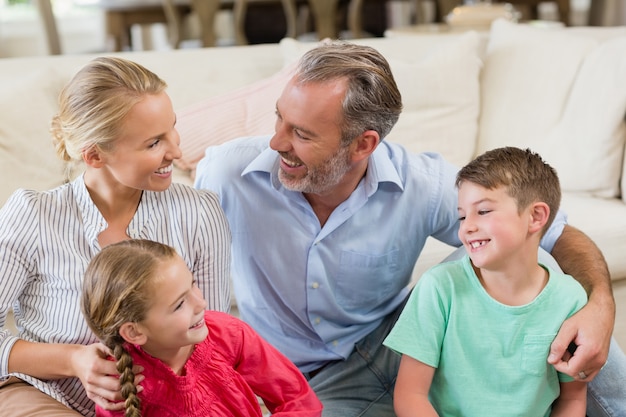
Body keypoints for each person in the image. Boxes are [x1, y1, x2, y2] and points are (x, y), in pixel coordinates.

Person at [193, 40, 625, 417]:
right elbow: (154, 266)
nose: (277, 142)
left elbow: (556, 235)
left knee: (531, 254)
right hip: (310, 379)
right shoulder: (230, 174)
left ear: (363, 144)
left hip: (408, 342)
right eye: (279, 120)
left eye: (302, 134)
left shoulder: (420, 182)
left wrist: (601, 307)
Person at [0, 57, 231, 416]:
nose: (176, 151)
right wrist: (73, 360)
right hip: (47, 393)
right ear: (94, 155)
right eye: (154, 142)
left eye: (173, 129)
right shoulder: (33, 216)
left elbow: (213, 335)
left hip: (163, 402)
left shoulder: (199, 212)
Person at [383, 146, 588, 417]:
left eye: (483, 211)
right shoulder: (439, 288)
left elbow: (572, 399)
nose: (466, 226)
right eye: (462, 215)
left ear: (535, 217)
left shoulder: (569, 298)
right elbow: (411, 395)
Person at [81, 238, 323, 417]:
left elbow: (298, 400)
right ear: (134, 332)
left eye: (193, 285)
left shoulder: (228, 333)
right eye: (179, 305)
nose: (201, 303)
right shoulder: (119, 387)